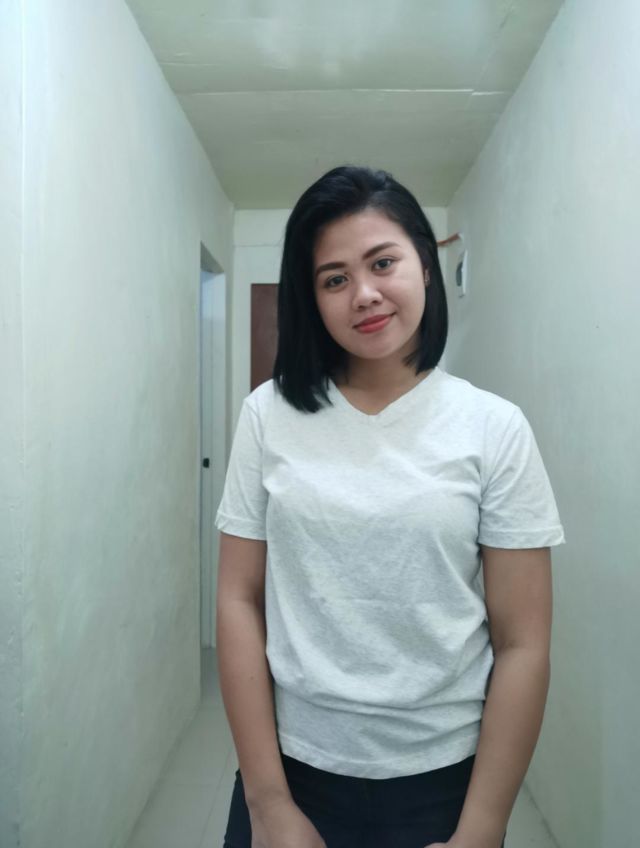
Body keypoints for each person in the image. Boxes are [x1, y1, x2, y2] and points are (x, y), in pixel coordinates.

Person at [214, 165, 565, 848]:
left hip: (445, 780)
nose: (364, 294)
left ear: (425, 267)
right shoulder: (268, 414)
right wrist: (268, 803)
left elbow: (523, 644)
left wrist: (483, 827)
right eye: (334, 279)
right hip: (294, 768)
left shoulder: (493, 427)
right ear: (312, 298)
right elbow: (237, 599)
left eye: (383, 263)